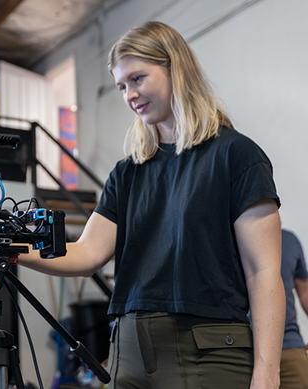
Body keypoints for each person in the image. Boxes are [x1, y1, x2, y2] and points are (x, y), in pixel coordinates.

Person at [18, 21, 284, 388]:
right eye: (121, 86)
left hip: (208, 352)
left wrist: (267, 373)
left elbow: (263, 273)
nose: (129, 94)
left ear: (175, 67)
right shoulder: (127, 173)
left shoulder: (237, 156)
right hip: (129, 352)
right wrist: (7, 249)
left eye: (138, 78)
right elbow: (86, 254)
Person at [279, 228, 308, 388]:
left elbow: (304, 287)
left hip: (289, 342)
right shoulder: (228, 237)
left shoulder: (289, 239)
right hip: (241, 345)